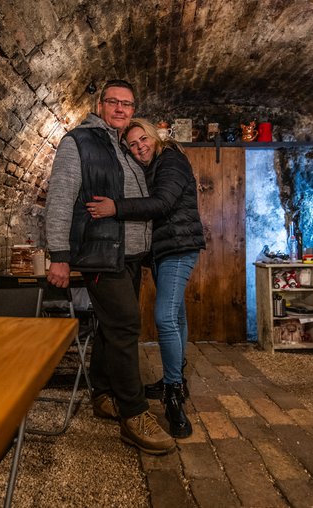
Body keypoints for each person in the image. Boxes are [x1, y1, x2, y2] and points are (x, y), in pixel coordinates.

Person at [45, 81, 175, 455]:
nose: (120, 108)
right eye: (113, 102)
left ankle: (103, 394)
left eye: (127, 104)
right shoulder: (79, 142)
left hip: (129, 256)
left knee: (109, 326)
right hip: (101, 254)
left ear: (133, 110)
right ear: (100, 104)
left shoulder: (123, 146)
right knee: (126, 325)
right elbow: (60, 199)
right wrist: (59, 255)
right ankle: (134, 414)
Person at [86, 118, 205, 438]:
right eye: (133, 145)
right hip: (166, 249)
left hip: (178, 247)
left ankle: (173, 394)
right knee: (176, 315)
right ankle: (175, 378)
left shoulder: (170, 159)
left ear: (154, 136)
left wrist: (115, 208)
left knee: (164, 317)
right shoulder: (151, 166)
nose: (140, 147)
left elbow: (162, 203)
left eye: (143, 139)